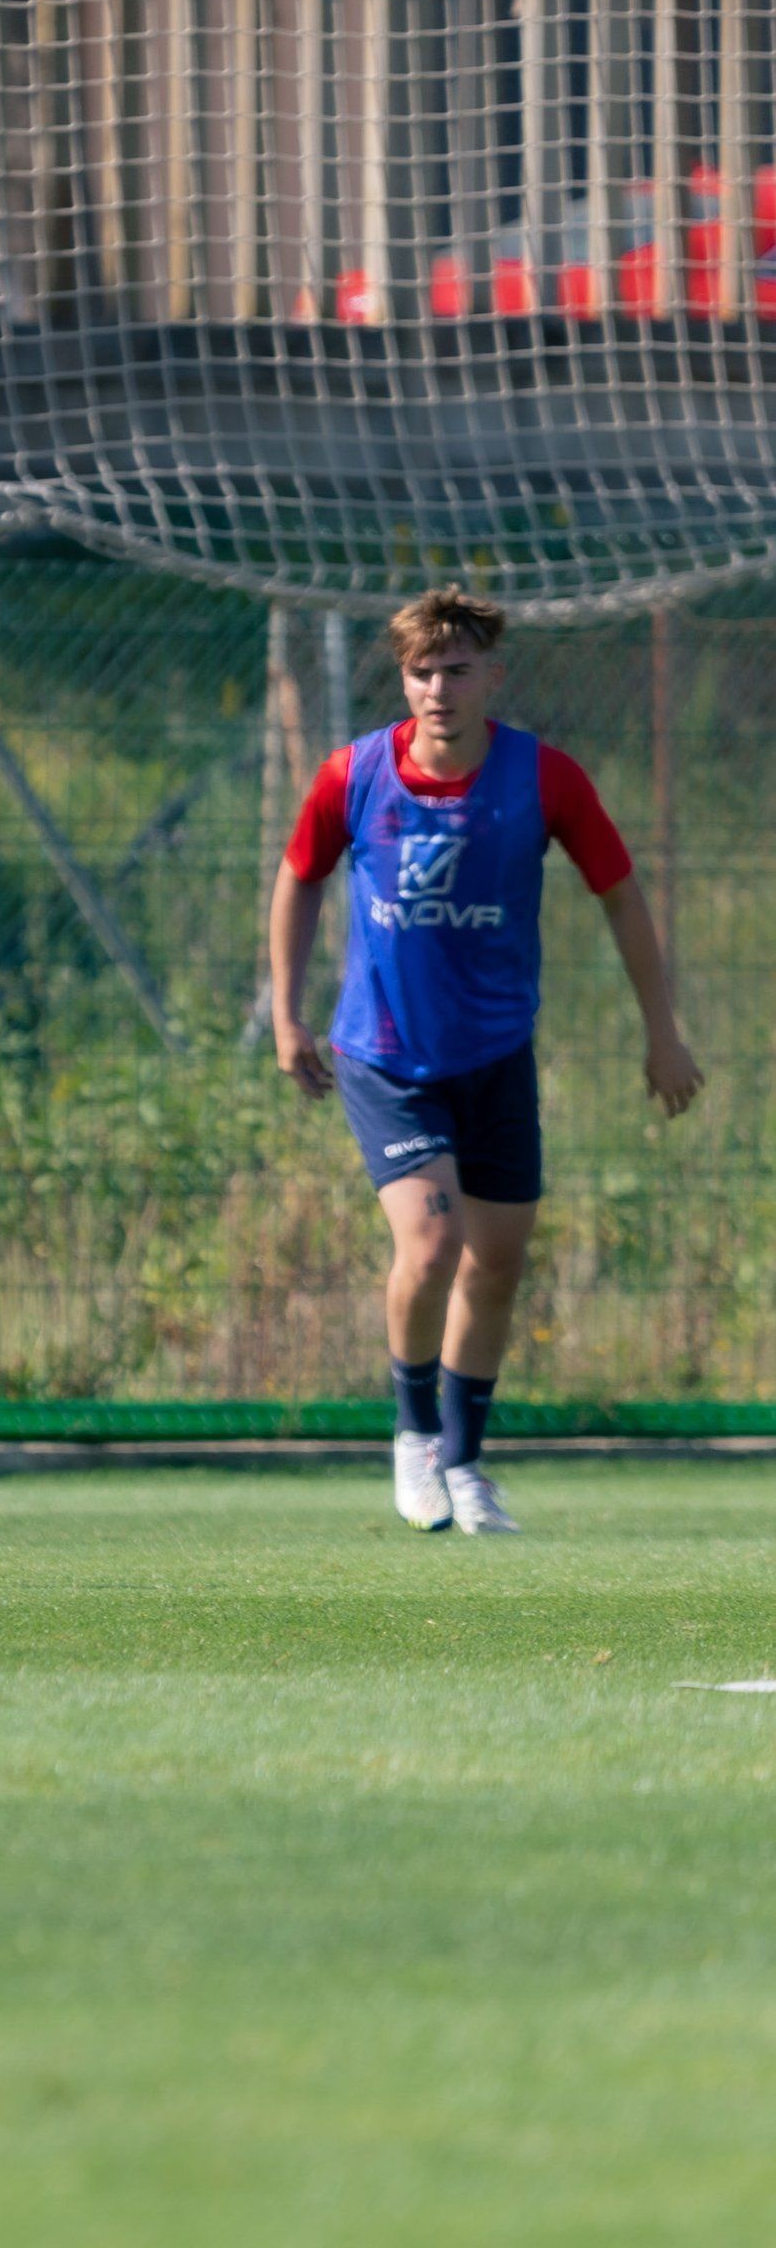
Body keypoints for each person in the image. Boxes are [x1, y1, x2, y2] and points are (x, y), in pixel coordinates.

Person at [270, 583, 701, 1536]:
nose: (437, 688)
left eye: (455, 670)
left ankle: (465, 1462)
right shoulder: (351, 776)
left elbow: (621, 897)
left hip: (496, 1055)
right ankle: (412, 1436)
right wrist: (285, 1017)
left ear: (491, 677)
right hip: (385, 1057)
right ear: (402, 679)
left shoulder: (543, 780)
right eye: (421, 671)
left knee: (495, 1265)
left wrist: (660, 1032)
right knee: (429, 1244)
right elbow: (298, 878)